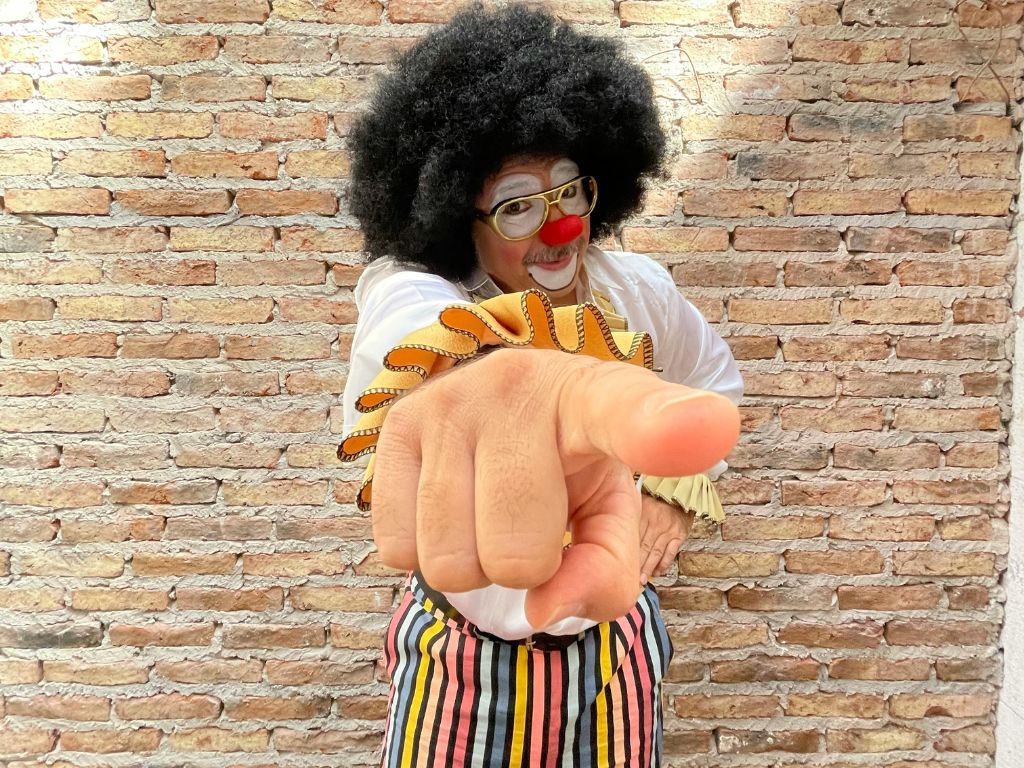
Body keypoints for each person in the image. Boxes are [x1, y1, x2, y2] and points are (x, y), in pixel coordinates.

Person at [339, 6, 743, 766]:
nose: (559, 229)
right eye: (518, 205)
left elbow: (715, 382)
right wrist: (503, 383)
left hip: (617, 648)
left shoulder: (637, 290)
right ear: (459, 214)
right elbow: (412, 333)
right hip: (462, 658)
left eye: (570, 193)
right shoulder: (419, 292)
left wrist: (674, 490)